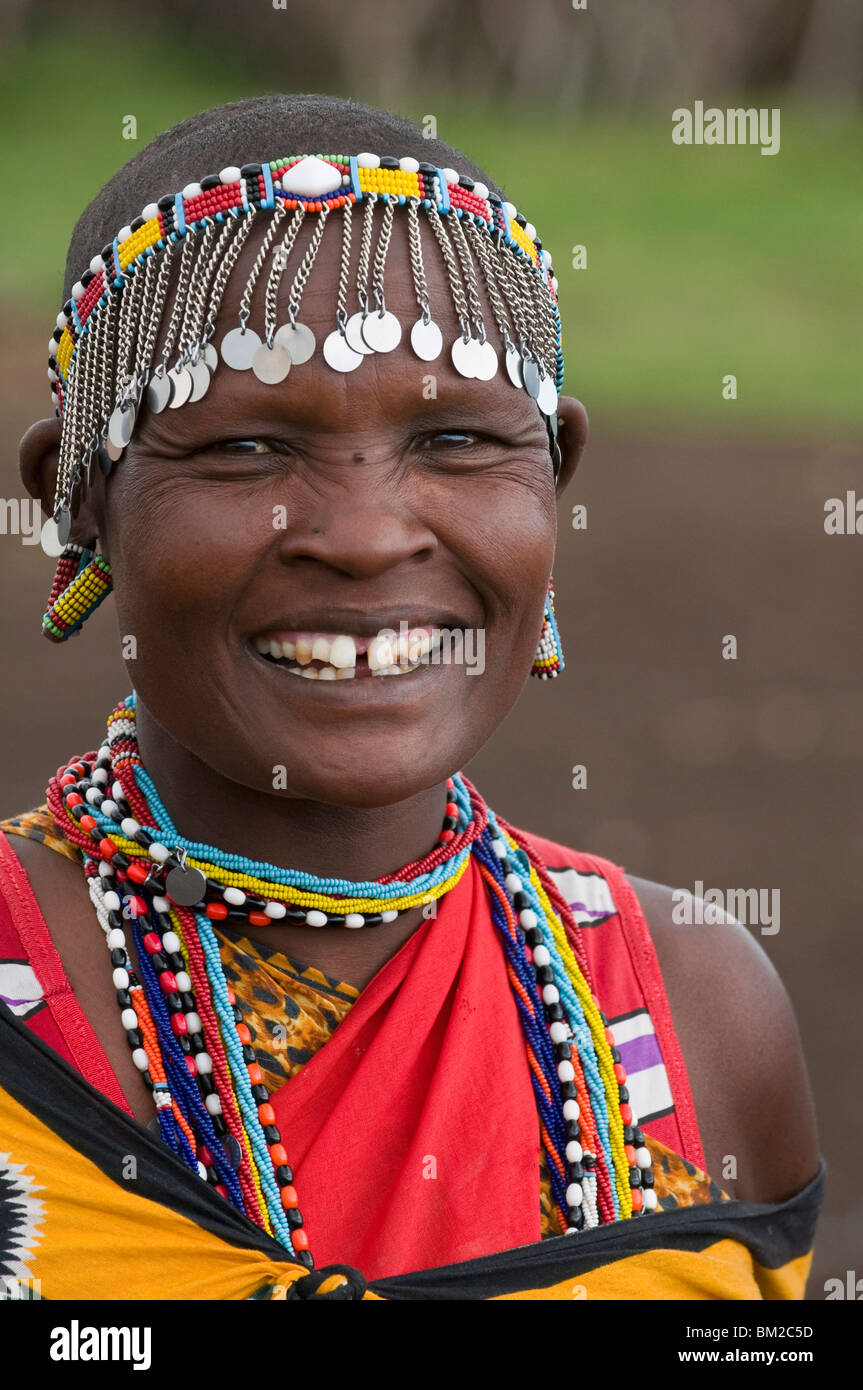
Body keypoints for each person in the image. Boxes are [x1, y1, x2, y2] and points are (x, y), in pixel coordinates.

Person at [0, 93, 821, 1301]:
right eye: (244, 448)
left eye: (453, 442)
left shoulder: (699, 1014)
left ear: (556, 475)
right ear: (75, 496)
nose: (366, 535)